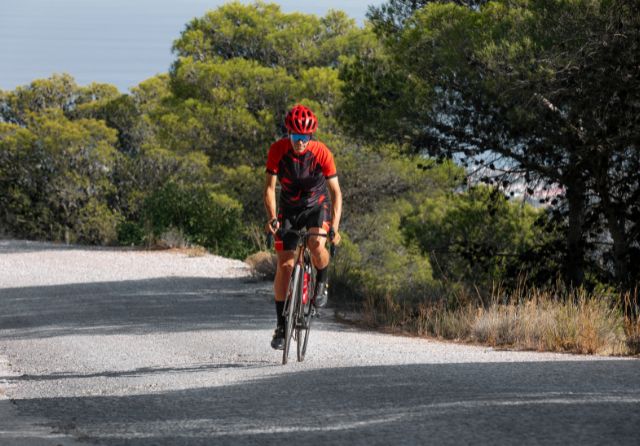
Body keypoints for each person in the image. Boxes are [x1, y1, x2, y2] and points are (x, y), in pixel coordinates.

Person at [264, 104, 342, 350]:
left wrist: (335, 228)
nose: (300, 142)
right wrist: (272, 218)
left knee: (316, 244)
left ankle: (322, 279)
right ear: (288, 133)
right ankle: (280, 325)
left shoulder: (322, 153)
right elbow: (269, 188)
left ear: (312, 136)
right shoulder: (277, 150)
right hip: (288, 209)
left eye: (305, 137)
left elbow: (336, 193)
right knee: (285, 265)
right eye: (295, 136)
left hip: (315, 207)